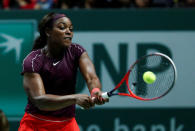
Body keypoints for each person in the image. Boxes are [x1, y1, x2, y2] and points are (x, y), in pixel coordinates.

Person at [18, 12, 108, 131]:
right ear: (48, 31)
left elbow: (92, 78)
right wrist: (74, 99)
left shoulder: (76, 51)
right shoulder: (33, 60)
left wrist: (95, 90)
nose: (68, 32)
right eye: (62, 27)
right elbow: (40, 100)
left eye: (71, 29)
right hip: (36, 124)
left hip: (67, 124)